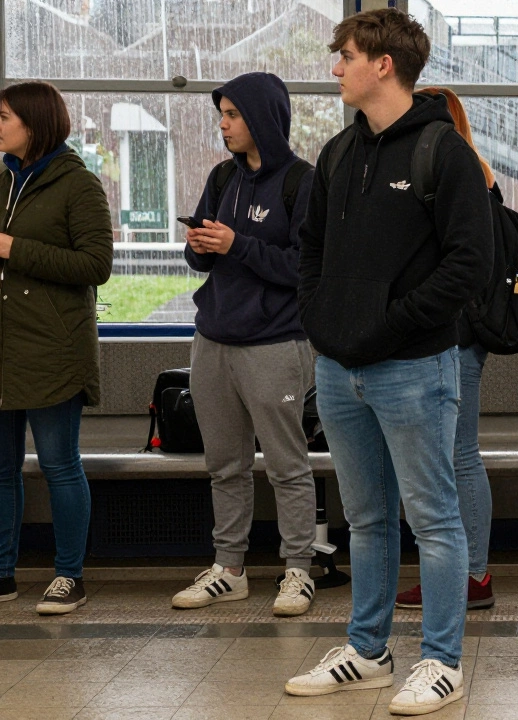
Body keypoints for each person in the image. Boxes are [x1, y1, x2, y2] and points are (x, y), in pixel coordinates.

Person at [284, 9, 493, 716]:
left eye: (344, 55)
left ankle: (441, 661)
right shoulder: (340, 154)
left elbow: (470, 265)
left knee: (434, 520)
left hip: (413, 368)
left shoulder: (444, 152)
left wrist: (392, 323)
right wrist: (321, 317)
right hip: (339, 370)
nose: (335, 67)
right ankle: (368, 651)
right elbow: (309, 247)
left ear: (383, 64)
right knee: (367, 519)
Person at [169, 72, 319, 618]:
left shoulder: (302, 183)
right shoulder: (222, 177)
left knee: (287, 465)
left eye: (233, 115)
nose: (224, 125)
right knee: (224, 464)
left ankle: (298, 569)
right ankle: (229, 568)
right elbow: (204, 261)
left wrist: (237, 245)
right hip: (213, 339)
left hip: (275, 343)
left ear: (260, 119)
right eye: (222, 115)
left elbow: (306, 269)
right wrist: (202, 246)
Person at [0, 81, 112, 616]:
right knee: (1, 469)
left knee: (58, 464)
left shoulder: (79, 185)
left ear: (34, 124)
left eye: (3, 118)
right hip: (4, 347)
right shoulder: (3, 182)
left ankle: (70, 575)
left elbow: (96, 267)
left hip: (53, 350)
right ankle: (3, 573)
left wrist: (13, 248)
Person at [395, 86, 500, 614]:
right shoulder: (469, 171)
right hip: (446, 337)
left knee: (457, 455)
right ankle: (456, 571)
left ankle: (473, 573)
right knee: (444, 457)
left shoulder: (461, 172)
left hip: (456, 338)